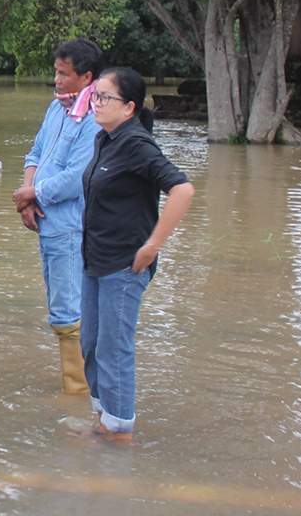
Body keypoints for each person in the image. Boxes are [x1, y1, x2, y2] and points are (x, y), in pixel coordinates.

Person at [81, 66, 195, 443]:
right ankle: (103, 420)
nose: (96, 103)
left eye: (104, 97)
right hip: (95, 260)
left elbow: (182, 190)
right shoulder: (105, 138)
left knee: (114, 350)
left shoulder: (136, 143)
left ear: (129, 107)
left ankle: (119, 434)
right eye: (94, 95)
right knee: (91, 344)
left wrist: (153, 245)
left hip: (124, 265)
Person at [11, 39, 103, 394]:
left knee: (68, 311)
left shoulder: (94, 117)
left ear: (86, 76)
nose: (57, 80)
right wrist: (27, 197)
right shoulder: (58, 109)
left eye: (64, 74)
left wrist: (32, 194)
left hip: (69, 227)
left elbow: (78, 177)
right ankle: (77, 386)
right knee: (61, 306)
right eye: (56, 71)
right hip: (46, 221)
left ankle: (79, 392)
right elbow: (35, 152)